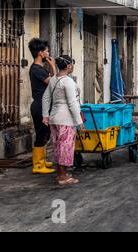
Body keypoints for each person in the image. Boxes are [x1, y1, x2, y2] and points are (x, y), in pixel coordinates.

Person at [42, 55, 83, 186]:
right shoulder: (68, 82)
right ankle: (63, 177)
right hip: (66, 119)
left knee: (58, 147)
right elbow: (72, 103)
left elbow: (45, 98)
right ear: (69, 66)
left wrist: (45, 115)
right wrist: (79, 121)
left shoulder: (54, 79)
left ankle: (61, 174)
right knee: (66, 148)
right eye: (72, 64)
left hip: (54, 118)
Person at [28, 38, 57, 175]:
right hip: (40, 106)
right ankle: (38, 165)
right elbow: (54, 83)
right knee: (41, 134)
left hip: (43, 104)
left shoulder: (40, 69)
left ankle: (42, 160)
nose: (48, 53)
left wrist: (51, 67)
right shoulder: (36, 69)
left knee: (46, 134)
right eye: (46, 50)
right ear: (40, 53)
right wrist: (53, 66)